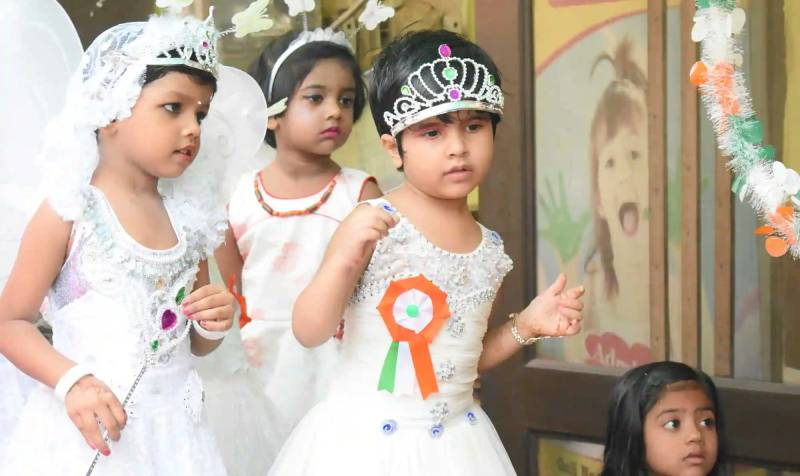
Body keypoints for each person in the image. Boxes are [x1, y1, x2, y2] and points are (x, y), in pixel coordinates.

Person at [268, 29, 585, 475]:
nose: (458, 148)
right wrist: (342, 258)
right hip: (362, 446)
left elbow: (464, 360)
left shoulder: (490, 249)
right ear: (393, 149)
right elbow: (309, 330)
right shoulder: (372, 223)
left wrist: (526, 326)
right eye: (432, 132)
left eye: (474, 126)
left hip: (457, 445)